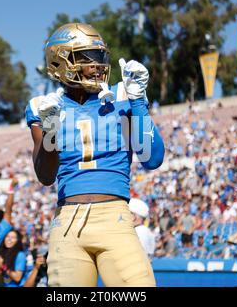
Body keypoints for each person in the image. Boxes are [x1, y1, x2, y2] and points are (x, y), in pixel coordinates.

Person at [25, 23, 165, 286]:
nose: (99, 64)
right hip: (67, 222)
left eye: (101, 56)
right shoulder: (43, 106)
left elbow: (152, 158)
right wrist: (51, 130)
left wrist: (138, 103)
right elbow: (45, 175)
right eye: (88, 57)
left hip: (115, 217)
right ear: (61, 61)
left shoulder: (123, 94)